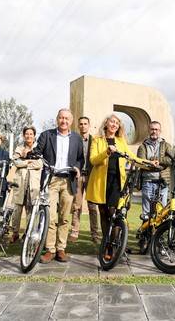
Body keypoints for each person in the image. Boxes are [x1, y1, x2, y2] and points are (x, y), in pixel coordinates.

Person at [87, 114, 152, 260]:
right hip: (100, 183)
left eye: (117, 123)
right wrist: (107, 152)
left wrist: (148, 163)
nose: (114, 124)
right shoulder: (97, 140)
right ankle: (108, 246)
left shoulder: (121, 141)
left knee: (114, 214)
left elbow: (132, 157)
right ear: (106, 124)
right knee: (103, 214)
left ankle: (115, 245)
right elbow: (93, 160)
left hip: (116, 182)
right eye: (112, 122)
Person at [36, 109, 84, 263]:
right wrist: (30, 152)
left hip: (68, 180)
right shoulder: (46, 135)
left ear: (71, 121)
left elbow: (80, 159)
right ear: (57, 119)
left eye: (67, 119)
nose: (64, 121)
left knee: (64, 217)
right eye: (61, 118)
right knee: (50, 216)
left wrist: (77, 167)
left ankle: (61, 249)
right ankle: (50, 249)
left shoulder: (77, 138)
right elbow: (38, 151)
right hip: (51, 179)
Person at [68, 116, 100, 244]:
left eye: (85, 124)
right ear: (78, 126)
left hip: (92, 176)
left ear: (89, 125)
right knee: (77, 206)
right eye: (80, 124)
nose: (83, 126)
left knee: (93, 207)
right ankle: (74, 232)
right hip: (78, 176)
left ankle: (95, 235)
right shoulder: (74, 140)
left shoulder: (95, 140)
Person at [10, 127, 42, 243]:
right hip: (20, 182)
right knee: (17, 209)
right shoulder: (19, 148)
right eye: (27, 134)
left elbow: (39, 164)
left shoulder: (38, 148)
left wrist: (25, 162)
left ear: (34, 136)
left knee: (30, 209)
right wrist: (27, 161)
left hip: (33, 184)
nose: (29, 136)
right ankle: (15, 233)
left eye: (31, 134)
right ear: (24, 136)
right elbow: (16, 162)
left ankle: (27, 233)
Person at [137, 121, 173, 223]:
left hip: (163, 182)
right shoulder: (142, 146)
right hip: (147, 182)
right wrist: (155, 164)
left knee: (161, 211)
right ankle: (146, 236)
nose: (154, 131)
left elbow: (171, 160)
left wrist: (158, 161)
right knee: (146, 212)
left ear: (160, 131)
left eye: (156, 129)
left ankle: (158, 237)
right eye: (152, 129)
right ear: (149, 130)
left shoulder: (166, 145)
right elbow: (141, 162)